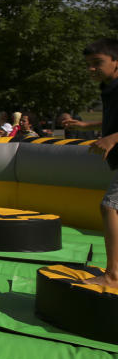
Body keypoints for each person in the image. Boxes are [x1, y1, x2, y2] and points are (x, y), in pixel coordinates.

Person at [62, 38, 118, 288]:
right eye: (88, 65)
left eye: (98, 63)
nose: (91, 69)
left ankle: (113, 276)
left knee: (109, 208)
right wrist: (88, 125)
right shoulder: (109, 87)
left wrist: (113, 139)